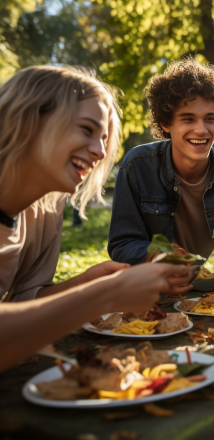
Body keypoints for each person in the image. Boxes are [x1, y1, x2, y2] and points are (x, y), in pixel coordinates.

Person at [0, 66, 192, 371]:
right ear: (28, 119)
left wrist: (87, 282)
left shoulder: (45, 210)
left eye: (104, 138)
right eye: (87, 130)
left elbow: (22, 303)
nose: (101, 152)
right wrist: (104, 294)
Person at [108, 57, 214, 271]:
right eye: (188, 119)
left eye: (210, 119)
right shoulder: (137, 166)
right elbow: (122, 245)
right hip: (156, 288)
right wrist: (159, 257)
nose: (201, 130)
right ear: (166, 122)